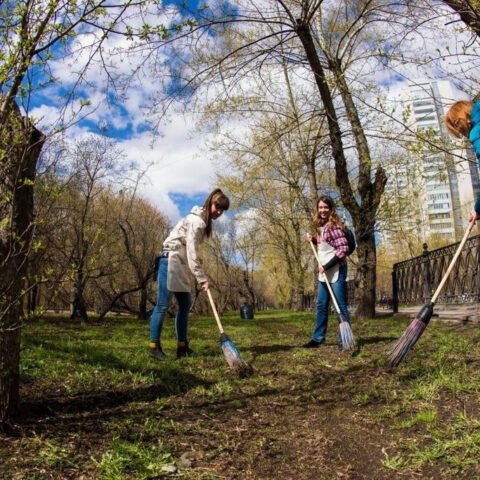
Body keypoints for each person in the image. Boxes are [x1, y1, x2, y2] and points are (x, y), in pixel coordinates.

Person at [148, 188, 230, 359]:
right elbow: (191, 250)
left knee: (185, 304)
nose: (219, 212)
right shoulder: (197, 222)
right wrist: (202, 278)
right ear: (210, 202)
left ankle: (182, 347)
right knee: (162, 305)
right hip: (169, 260)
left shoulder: (202, 221)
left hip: (180, 262)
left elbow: (190, 249)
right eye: (218, 207)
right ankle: (153, 346)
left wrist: (197, 261)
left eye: (223, 210)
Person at [304, 195, 351, 348]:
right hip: (323, 271)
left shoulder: (335, 225)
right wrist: (312, 240)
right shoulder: (320, 226)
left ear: (331, 209)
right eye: (320, 207)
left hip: (336, 269)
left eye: (326, 207)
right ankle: (318, 338)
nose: (323, 210)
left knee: (340, 305)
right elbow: (324, 245)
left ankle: (345, 340)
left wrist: (327, 266)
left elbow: (343, 249)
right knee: (321, 305)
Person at [445, 99, 480, 222]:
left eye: (456, 124)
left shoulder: (477, 133)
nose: (459, 131)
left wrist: (477, 208)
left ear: (464, 115)